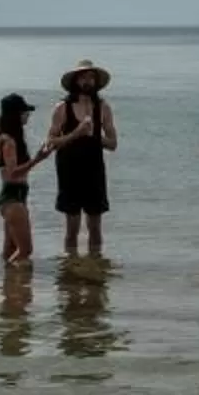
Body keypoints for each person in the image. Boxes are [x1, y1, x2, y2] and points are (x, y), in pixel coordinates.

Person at [46, 60, 118, 257]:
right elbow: (51, 143)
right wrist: (76, 133)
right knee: (72, 227)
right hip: (69, 171)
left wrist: (94, 136)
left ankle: (96, 267)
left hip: (94, 170)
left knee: (95, 227)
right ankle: (71, 268)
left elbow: (112, 144)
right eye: (83, 77)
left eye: (91, 77)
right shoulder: (63, 107)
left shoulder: (103, 107)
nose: (88, 81)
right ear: (75, 81)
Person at [0, 93, 55, 266]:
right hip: (13, 197)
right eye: (25, 112)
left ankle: (9, 286)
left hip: (13, 196)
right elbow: (13, 174)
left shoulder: (2, 137)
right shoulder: (9, 141)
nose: (28, 116)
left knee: (9, 249)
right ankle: (12, 279)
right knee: (25, 250)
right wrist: (38, 159)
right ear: (15, 115)